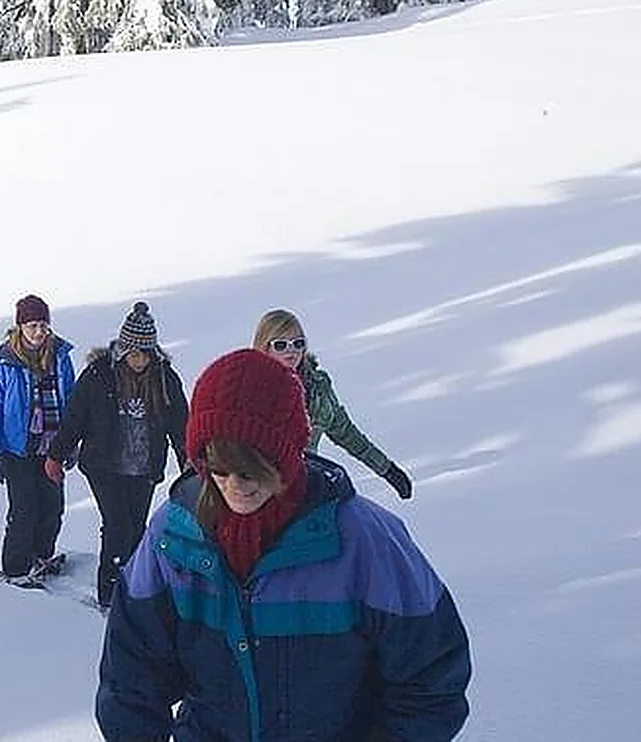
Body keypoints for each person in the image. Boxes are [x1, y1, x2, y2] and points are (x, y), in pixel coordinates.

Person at [97, 348, 470, 741]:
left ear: (289, 453)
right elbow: (130, 676)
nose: (234, 486)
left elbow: (432, 679)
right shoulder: (173, 536)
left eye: (250, 468)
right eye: (218, 468)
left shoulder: (362, 540)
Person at [45, 301, 189, 610]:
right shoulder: (99, 374)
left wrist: (188, 461)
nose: (139, 360)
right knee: (117, 525)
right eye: (134, 352)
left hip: (144, 466)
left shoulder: (164, 378)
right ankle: (109, 594)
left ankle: (134, 589)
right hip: (103, 465)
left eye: (145, 353)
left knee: (136, 528)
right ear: (123, 349)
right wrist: (56, 455)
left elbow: (180, 423)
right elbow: (75, 418)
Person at [253, 308, 413, 499]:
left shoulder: (319, 388)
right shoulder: (251, 390)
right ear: (264, 347)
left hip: (306, 485)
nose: (291, 351)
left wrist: (387, 469)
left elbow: (345, 432)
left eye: (298, 343)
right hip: (261, 490)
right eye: (281, 345)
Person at [0, 294, 77, 587]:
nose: (39, 332)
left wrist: (70, 443)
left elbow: (72, 402)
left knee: (52, 508)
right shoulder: (4, 362)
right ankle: (14, 568)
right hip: (16, 449)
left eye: (43, 325)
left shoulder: (60, 357)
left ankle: (40, 555)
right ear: (20, 326)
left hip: (51, 446)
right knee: (23, 510)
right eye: (33, 325)